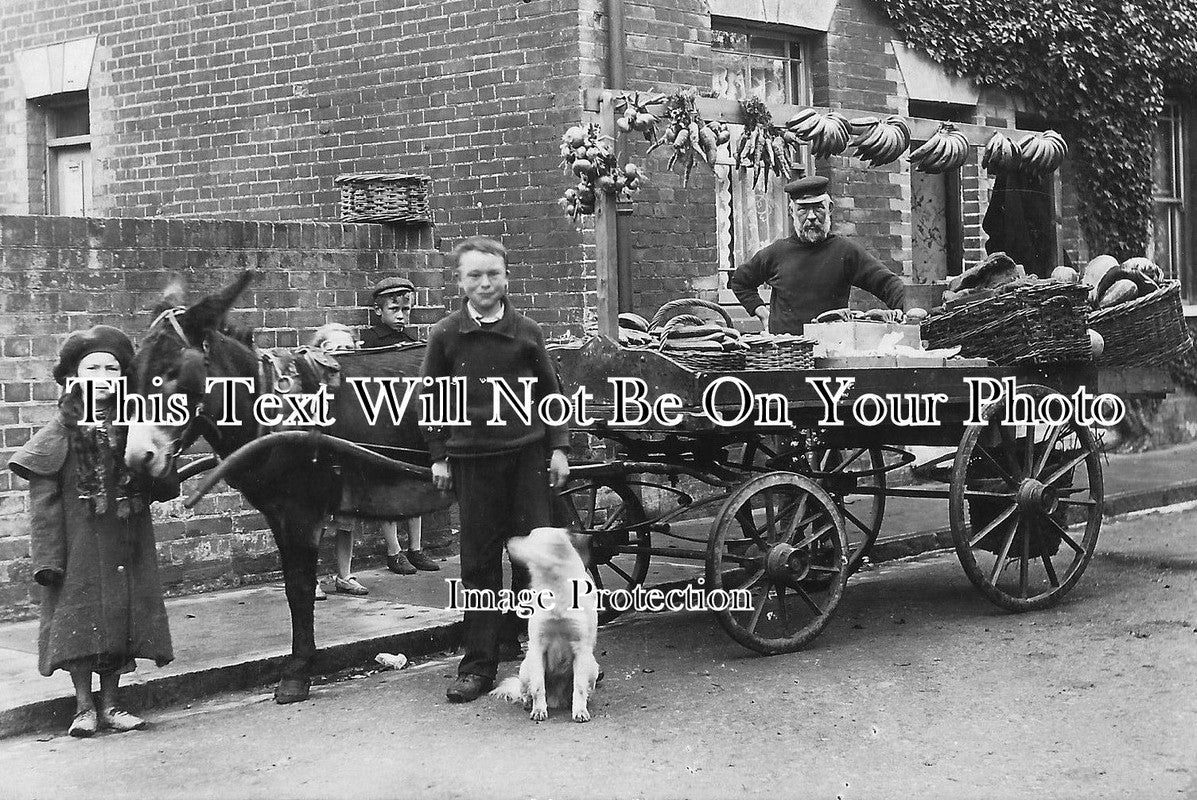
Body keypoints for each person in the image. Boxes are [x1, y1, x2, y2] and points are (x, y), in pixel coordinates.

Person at [421, 236, 571, 703]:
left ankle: (543, 659)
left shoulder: (527, 331)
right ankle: (479, 665)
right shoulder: (445, 335)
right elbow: (430, 400)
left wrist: (559, 448)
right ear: (460, 282)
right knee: (479, 563)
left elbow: (551, 393)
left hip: (526, 458)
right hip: (473, 463)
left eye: (493, 274)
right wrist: (439, 455)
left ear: (506, 277)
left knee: (533, 564)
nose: (485, 283)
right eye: (474, 275)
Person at [6, 326, 173, 737]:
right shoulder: (59, 434)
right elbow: (44, 505)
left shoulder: (134, 427)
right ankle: (83, 707)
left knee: (119, 622)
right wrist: (47, 560)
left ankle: (113, 704)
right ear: (73, 378)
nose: (103, 375)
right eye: (93, 367)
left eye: (112, 368)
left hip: (125, 541)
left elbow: (162, 486)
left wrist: (156, 462)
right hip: (77, 548)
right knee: (79, 623)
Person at [729, 175, 908, 333]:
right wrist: (763, 314)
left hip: (832, 351)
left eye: (818, 208)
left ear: (829, 208)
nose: (812, 216)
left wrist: (911, 312)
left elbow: (888, 284)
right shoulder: (776, 253)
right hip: (788, 355)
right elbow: (740, 281)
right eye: (803, 209)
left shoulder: (845, 251)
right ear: (792, 212)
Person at [356, 279, 440, 575]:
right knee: (388, 487)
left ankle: (416, 548)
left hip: (409, 422)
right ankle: (394, 550)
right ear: (378, 310)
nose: (402, 315)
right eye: (395, 309)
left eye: (406, 309)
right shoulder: (369, 343)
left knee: (415, 482)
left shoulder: (413, 342)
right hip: (383, 423)